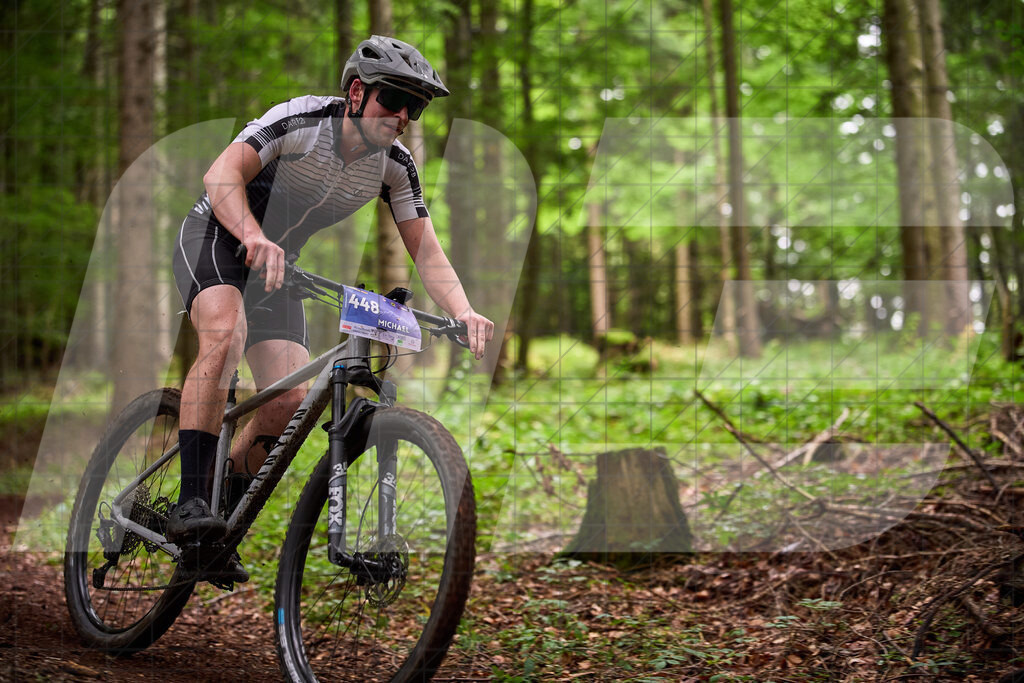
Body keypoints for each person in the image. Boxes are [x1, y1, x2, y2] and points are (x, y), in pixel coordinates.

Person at [169, 36, 493, 581]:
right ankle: (188, 502)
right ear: (358, 91)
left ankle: (218, 515)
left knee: (292, 398)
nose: (404, 116)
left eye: (416, 107)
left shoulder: (395, 165)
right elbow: (220, 175)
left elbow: (427, 249)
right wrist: (251, 235)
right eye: (394, 100)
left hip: (279, 267)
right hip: (218, 234)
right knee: (224, 334)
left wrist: (464, 310)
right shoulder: (301, 120)